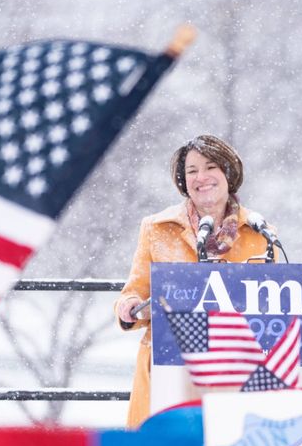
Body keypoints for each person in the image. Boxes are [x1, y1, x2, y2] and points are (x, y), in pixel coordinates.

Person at [115, 135, 272, 428]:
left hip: (235, 366)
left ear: (229, 173)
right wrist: (130, 306)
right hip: (168, 363)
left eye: (210, 167)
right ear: (183, 180)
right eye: (192, 171)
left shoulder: (261, 232)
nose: (201, 177)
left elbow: (273, 306)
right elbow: (134, 292)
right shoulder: (156, 228)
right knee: (167, 445)